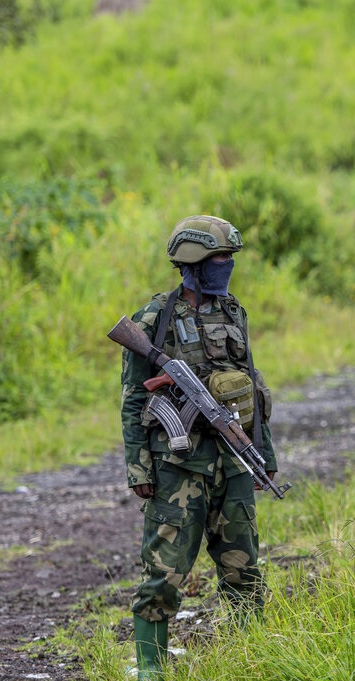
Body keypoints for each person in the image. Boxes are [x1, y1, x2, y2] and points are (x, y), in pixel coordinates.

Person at [119, 215, 277, 678]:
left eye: (229, 258)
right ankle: (150, 666)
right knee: (165, 572)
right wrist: (139, 469)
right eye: (219, 259)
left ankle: (254, 654)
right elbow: (133, 398)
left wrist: (263, 453)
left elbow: (251, 384)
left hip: (233, 463)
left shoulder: (233, 312)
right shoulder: (155, 317)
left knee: (243, 567)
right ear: (192, 261)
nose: (227, 266)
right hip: (178, 467)